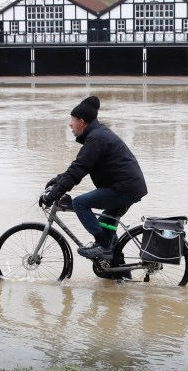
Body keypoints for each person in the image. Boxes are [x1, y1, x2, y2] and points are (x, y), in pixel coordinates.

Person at [40, 96, 148, 259]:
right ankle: (118, 269)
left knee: (80, 203)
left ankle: (104, 247)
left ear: (81, 122)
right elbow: (81, 166)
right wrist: (58, 181)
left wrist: (54, 193)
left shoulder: (96, 138)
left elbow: (78, 170)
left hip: (124, 189)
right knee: (106, 222)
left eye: (72, 119)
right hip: (128, 187)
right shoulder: (97, 135)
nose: (70, 124)